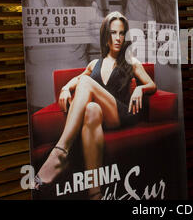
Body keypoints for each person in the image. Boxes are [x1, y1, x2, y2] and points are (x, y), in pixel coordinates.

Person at [32, 11, 157, 199]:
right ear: (105, 35)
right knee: (91, 109)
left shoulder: (131, 61)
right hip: (100, 116)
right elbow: (77, 79)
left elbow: (152, 84)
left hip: (121, 113)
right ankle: (95, 192)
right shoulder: (94, 64)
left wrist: (141, 89)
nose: (118, 38)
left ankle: (60, 152)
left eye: (122, 33)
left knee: (86, 83)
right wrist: (66, 88)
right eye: (113, 33)